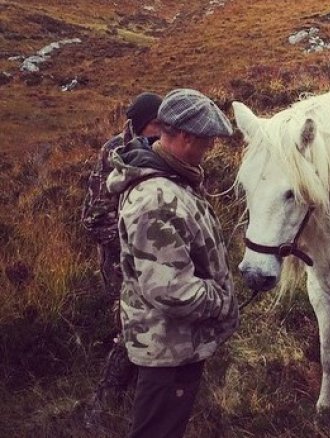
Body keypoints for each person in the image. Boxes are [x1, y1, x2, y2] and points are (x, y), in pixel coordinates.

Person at [106, 88, 239, 438]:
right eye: (207, 142)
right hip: (167, 348)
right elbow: (173, 292)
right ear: (183, 136)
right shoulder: (156, 200)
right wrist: (222, 300)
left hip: (177, 343)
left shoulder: (174, 180)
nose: (210, 150)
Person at [81, 91, 162, 428]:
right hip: (120, 262)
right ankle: (102, 405)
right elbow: (94, 220)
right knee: (130, 332)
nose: (163, 131)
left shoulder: (160, 148)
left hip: (153, 260)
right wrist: (136, 242)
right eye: (158, 124)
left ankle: (142, 392)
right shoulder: (114, 152)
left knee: (153, 327)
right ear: (143, 124)